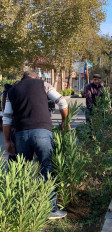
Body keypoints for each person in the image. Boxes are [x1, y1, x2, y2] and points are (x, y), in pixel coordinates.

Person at [3, 71, 69, 219]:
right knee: (46, 168)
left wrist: (8, 141)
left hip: (21, 134)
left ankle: (22, 209)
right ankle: (51, 209)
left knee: (23, 170)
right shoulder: (43, 84)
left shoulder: (12, 90)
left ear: (22, 78)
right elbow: (62, 101)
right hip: (42, 133)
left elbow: (6, 118)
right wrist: (65, 121)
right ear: (36, 77)